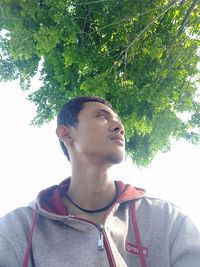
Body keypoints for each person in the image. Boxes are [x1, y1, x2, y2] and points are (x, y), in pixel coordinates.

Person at [0, 96, 200, 267]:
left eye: (119, 121)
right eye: (102, 116)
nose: (119, 126)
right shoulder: (17, 229)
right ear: (66, 133)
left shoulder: (168, 220)